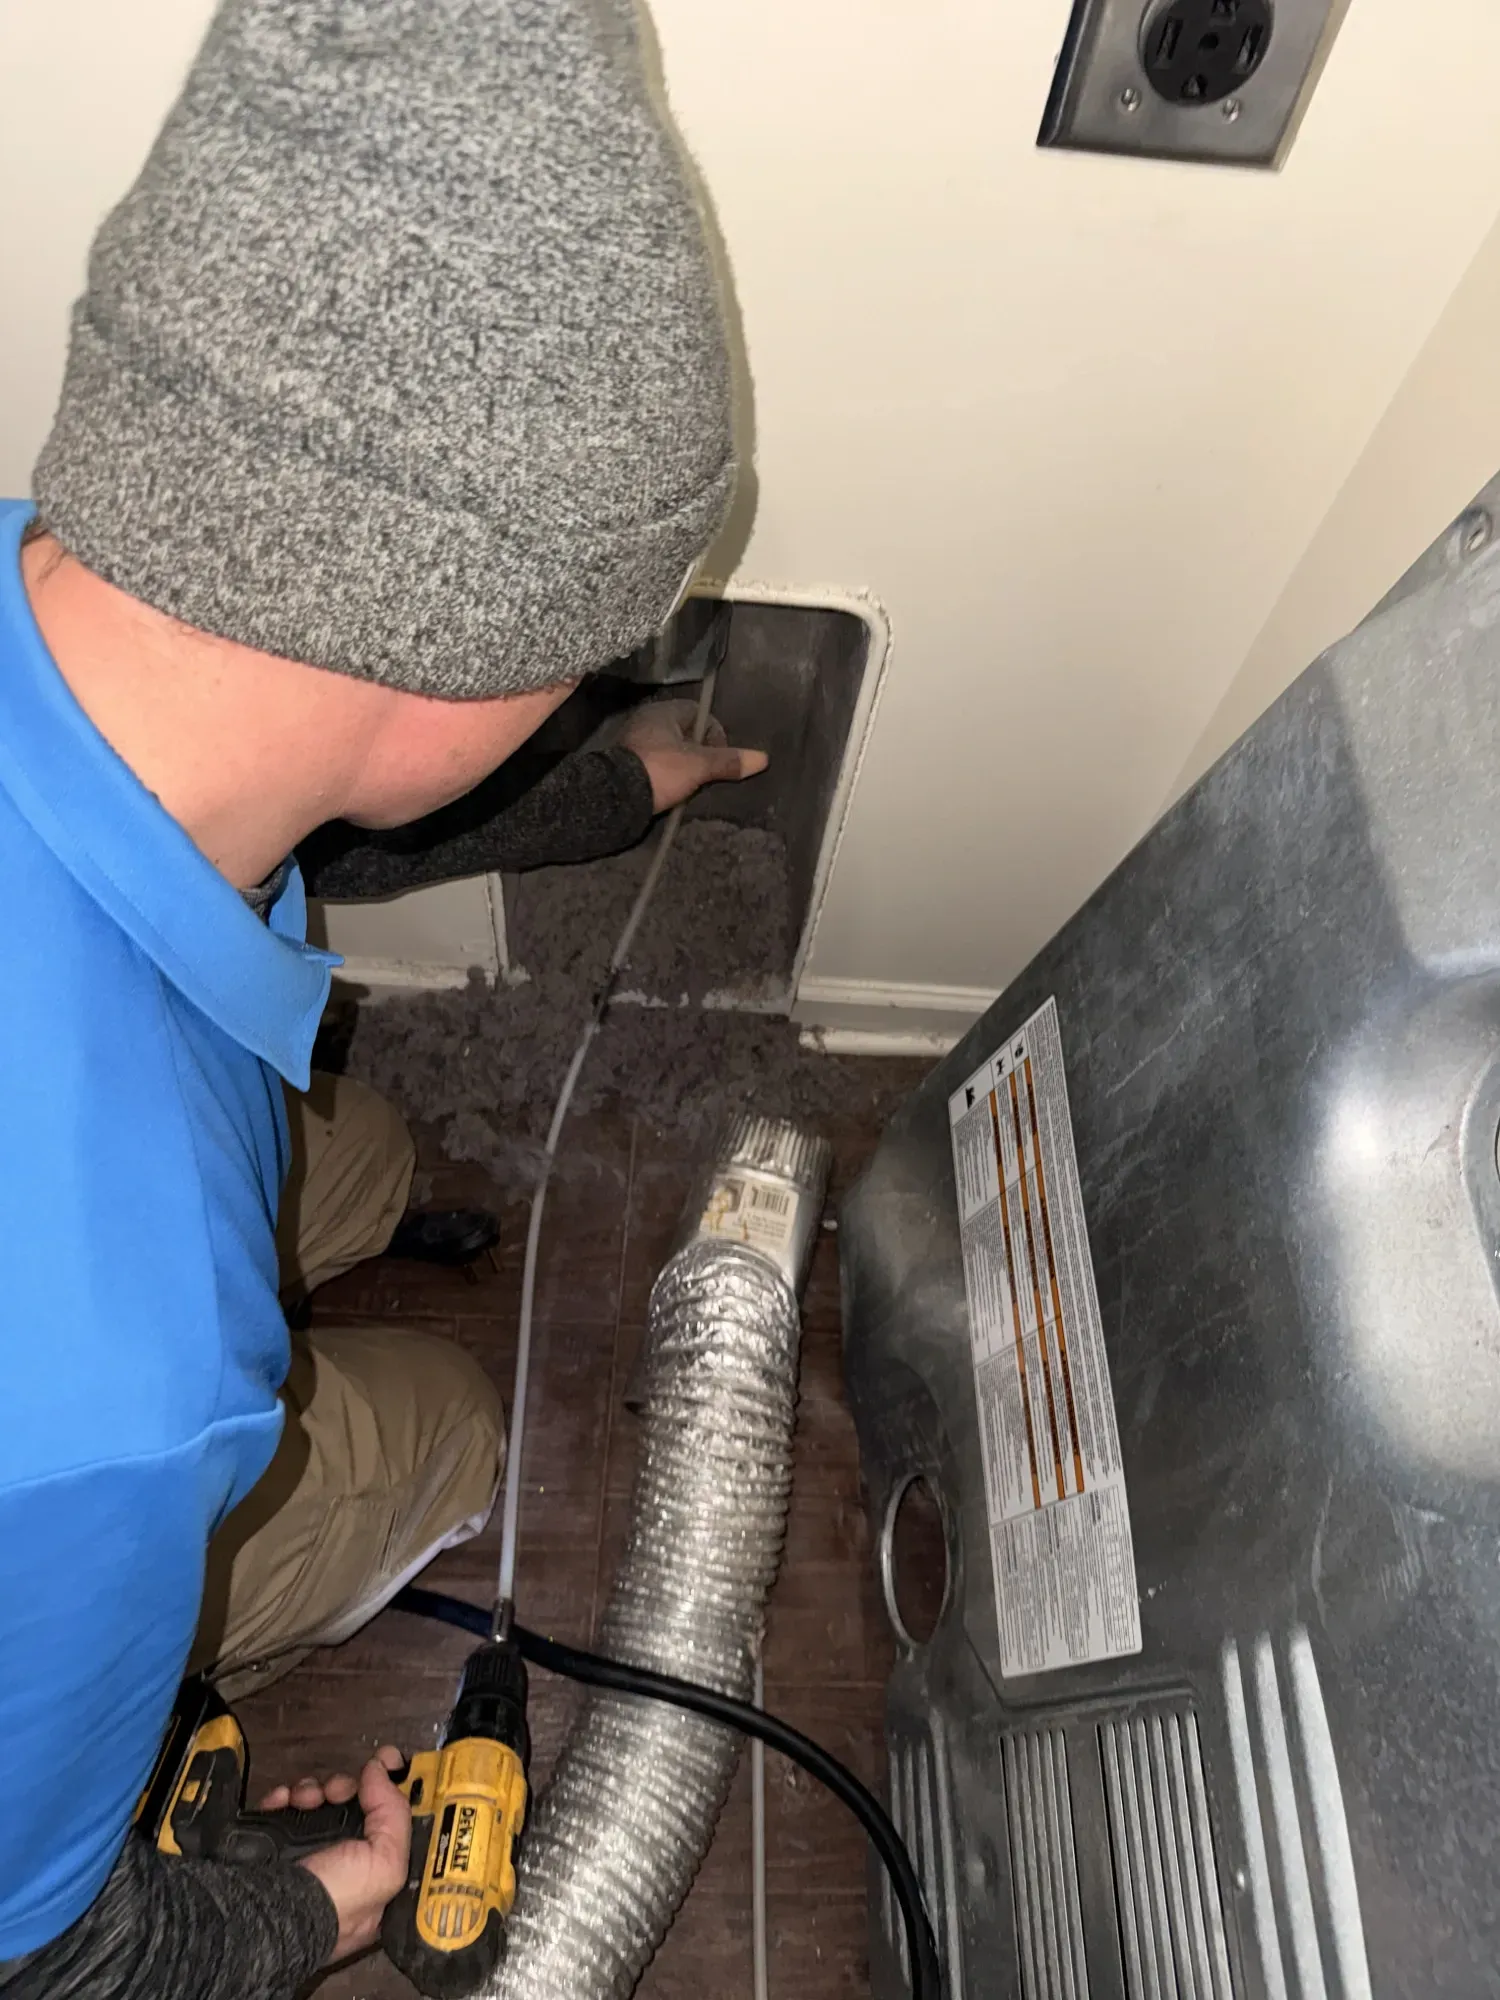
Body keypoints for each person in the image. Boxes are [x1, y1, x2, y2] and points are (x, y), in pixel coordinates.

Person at [0, 3, 764, 1994]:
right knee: (443, 1426)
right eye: (577, 667)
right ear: (443, 670)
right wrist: (319, 1903)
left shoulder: (87, 599)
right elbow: (49, 1963)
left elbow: (307, 795)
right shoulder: (117, 1390)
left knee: (360, 1159)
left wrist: (605, 790)